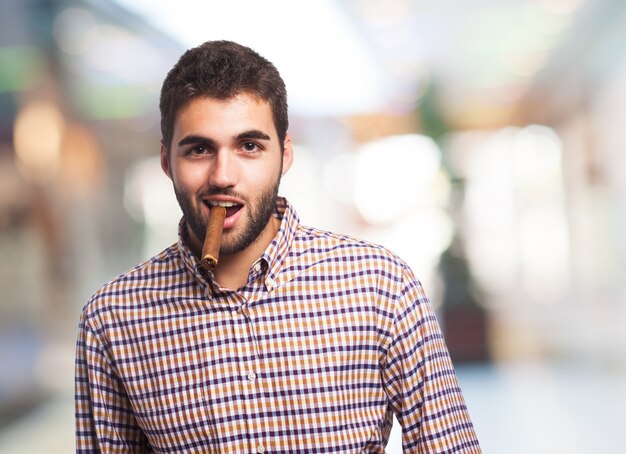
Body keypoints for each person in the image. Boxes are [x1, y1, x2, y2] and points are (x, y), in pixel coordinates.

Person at [75, 40, 481, 453]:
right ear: (166, 161)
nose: (223, 176)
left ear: (284, 155)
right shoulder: (111, 321)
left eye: (249, 146)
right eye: (199, 149)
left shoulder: (380, 286)